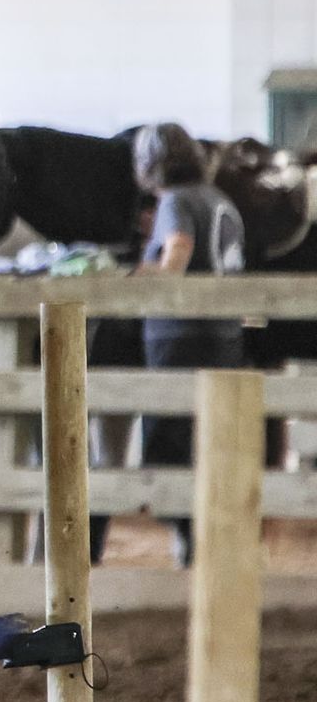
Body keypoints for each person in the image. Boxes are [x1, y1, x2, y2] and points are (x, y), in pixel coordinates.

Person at [134, 121, 245, 568]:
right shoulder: (220, 200)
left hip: (178, 337)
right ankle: (214, 540)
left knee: (168, 443)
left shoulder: (176, 201)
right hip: (224, 337)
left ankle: (189, 542)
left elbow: (177, 253)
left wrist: (135, 275)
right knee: (215, 442)